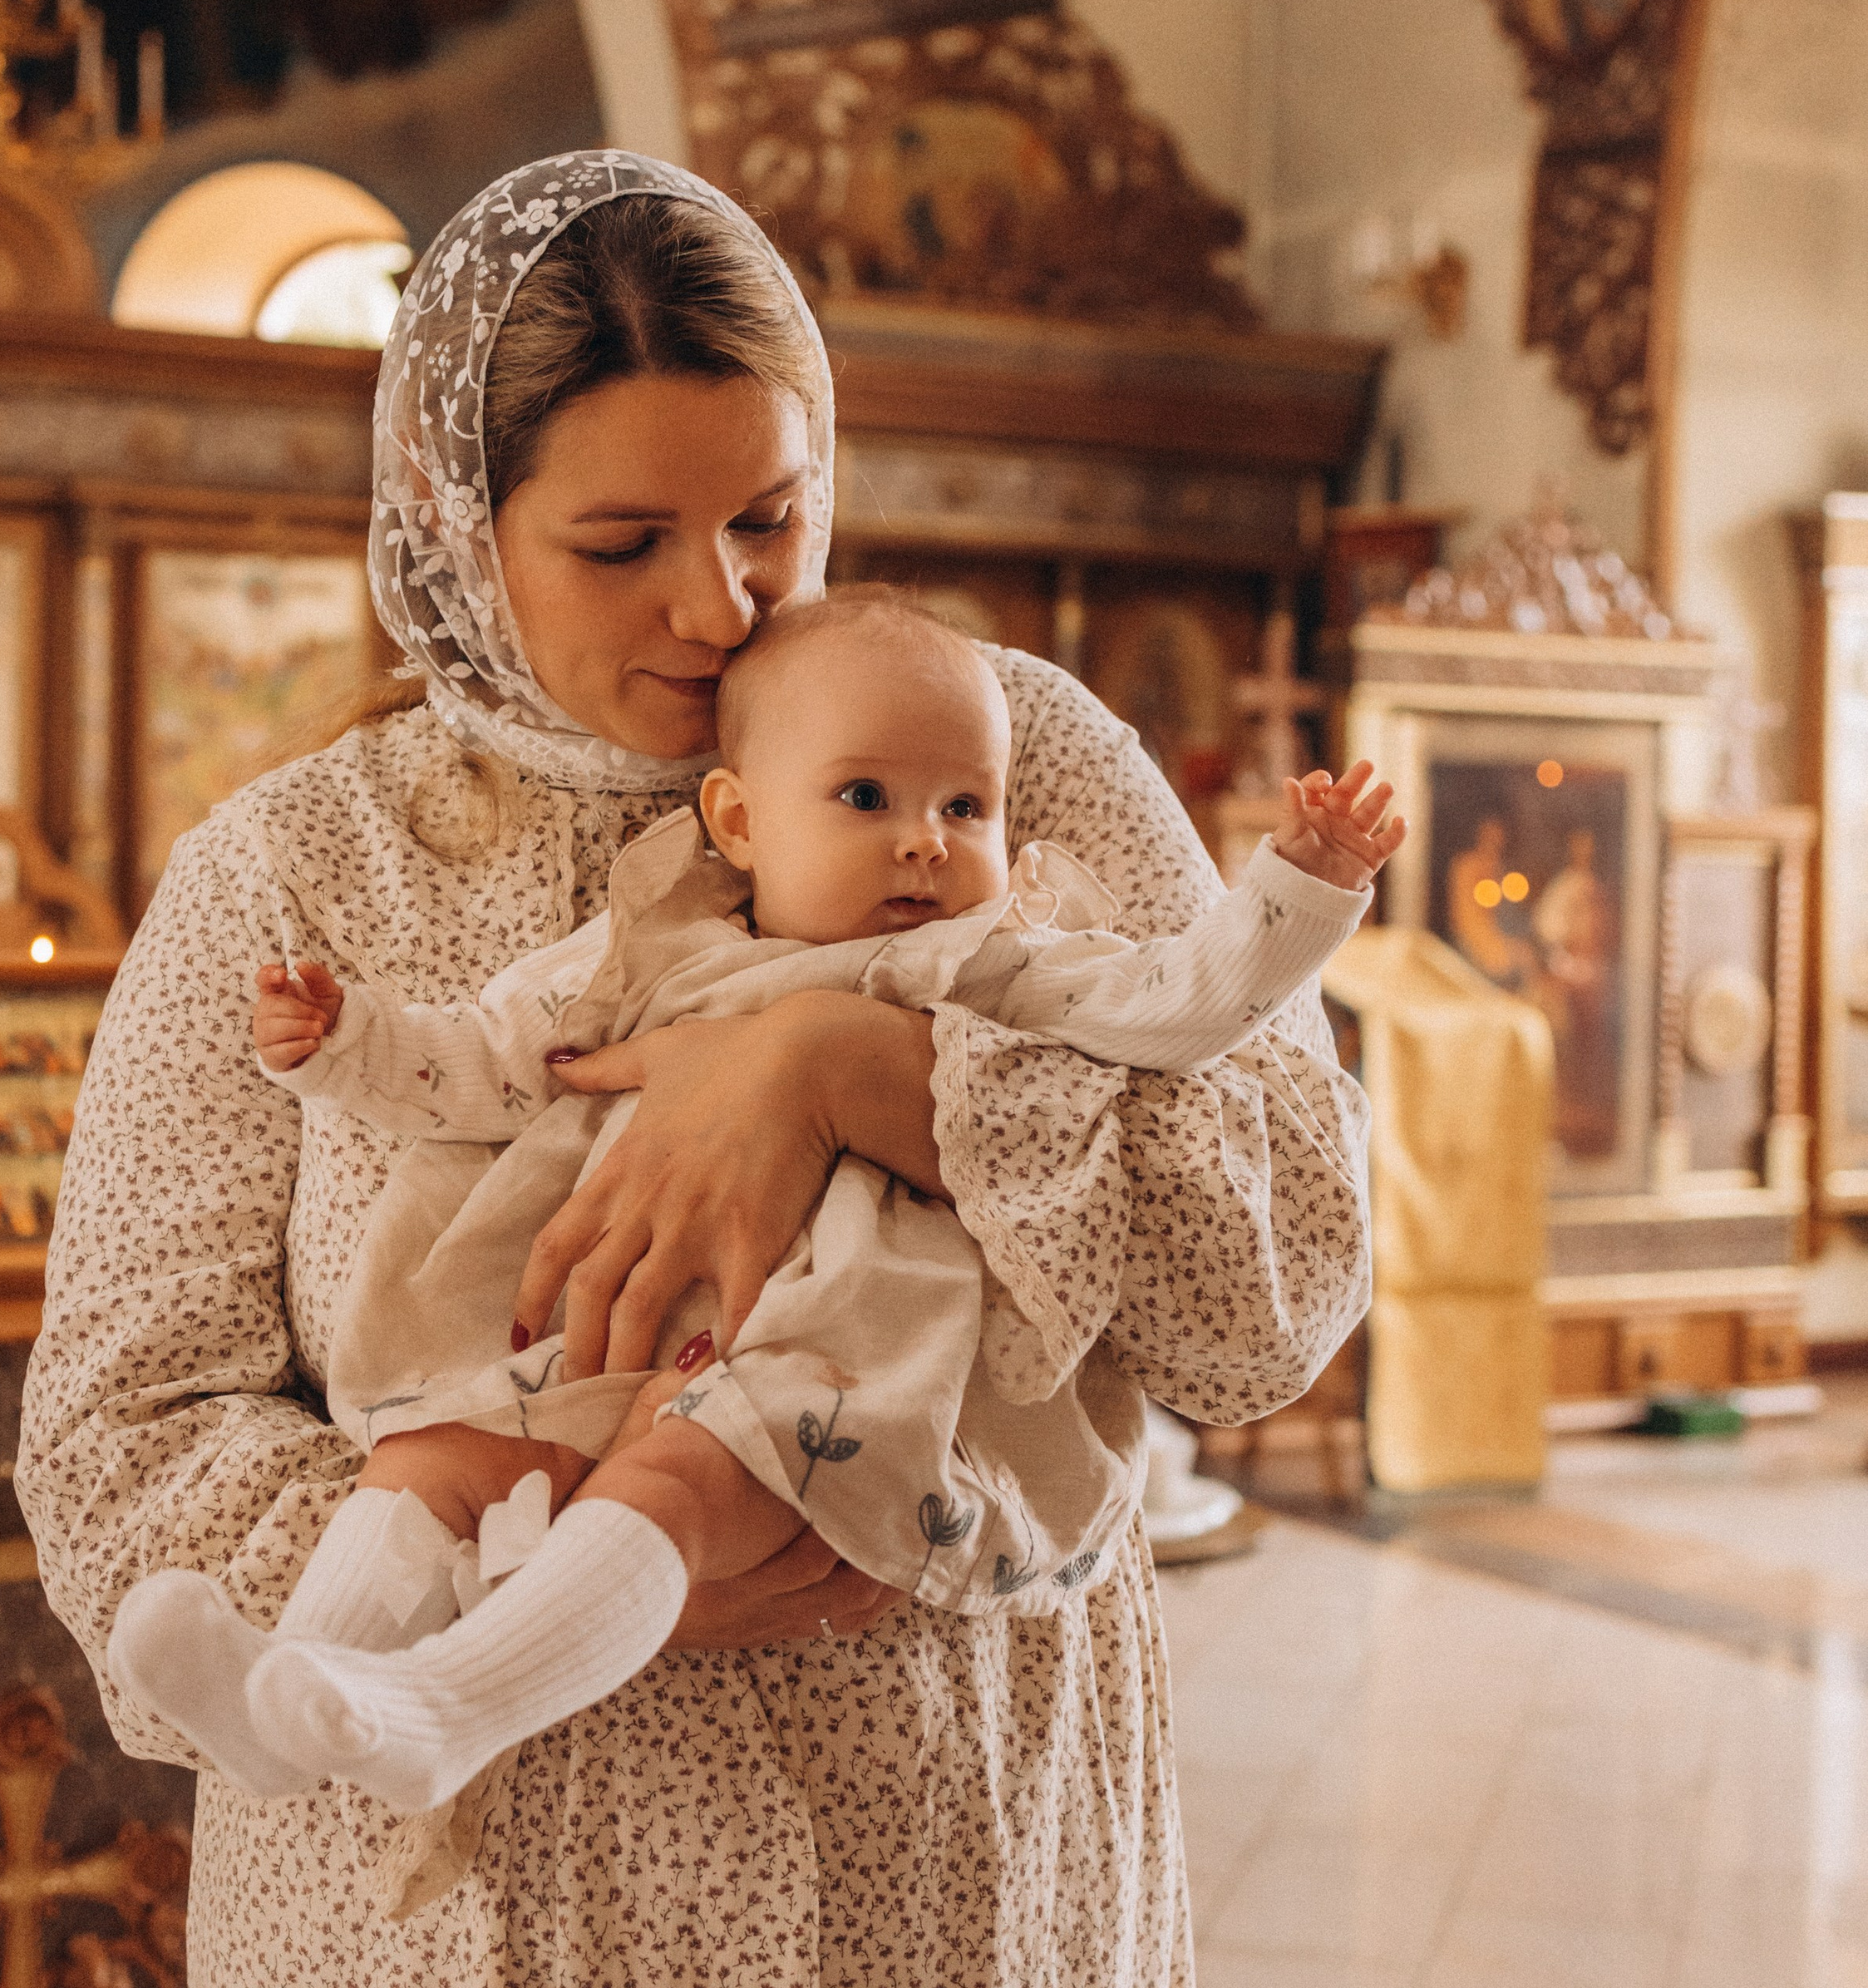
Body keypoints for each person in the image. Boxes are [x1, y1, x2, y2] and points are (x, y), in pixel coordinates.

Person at [17, 149, 1373, 1988]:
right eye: (621, 543)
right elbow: (120, 1444)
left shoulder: (995, 756)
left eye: (770, 518)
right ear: (462, 533)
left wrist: (854, 1073)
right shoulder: (294, 876)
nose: (720, 610)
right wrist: (510, 1552)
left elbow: (1271, 1288)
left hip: (935, 1937)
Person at [106, 592, 1399, 1821]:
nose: (924, 839)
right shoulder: (663, 946)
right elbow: (492, 1061)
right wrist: (346, 1046)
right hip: (590, 1351)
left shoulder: (997, 957)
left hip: (828, 1361)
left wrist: (1305, 884)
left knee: (685, 1467)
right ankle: (298, 1688)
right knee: (434, 1448)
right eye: (865, 798)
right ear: (737, 817)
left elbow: (1191, 999)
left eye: (967, 806)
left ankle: (445, 1706)